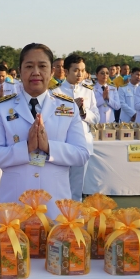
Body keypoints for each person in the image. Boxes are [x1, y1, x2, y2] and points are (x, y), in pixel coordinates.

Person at [0, 43, 89, 218]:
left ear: (52, 71)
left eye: (42, 66)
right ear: (20, 70)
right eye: (29, 66)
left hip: (56, 205)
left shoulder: (67, 106)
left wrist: (49, 147)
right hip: (14, 204)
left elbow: (81, 154)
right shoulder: (1, 108)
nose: (36, 72)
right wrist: (26, 148)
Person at [57, 55, 99, 200]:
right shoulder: (55, 92)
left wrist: (82, 111)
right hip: (61, 143)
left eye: (82, 70)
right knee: (59, 183)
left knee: (77, 185)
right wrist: (71, 107)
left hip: (82, 143)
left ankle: (74, 217)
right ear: (66, 71)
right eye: (75, 70)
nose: (80, 74)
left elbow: (96, 118)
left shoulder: (88, 91)